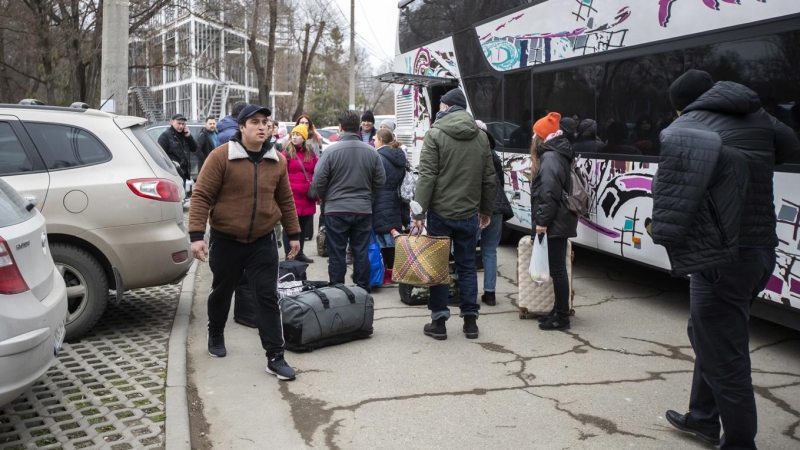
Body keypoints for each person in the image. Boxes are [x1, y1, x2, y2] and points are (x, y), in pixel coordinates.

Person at [652, 69, 800, 449]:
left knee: (724, 353)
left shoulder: (688, 127)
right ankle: (702, 417)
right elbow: (791, 146)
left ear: (682, 105)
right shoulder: (757, 116)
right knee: (711, 336)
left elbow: (671, 199)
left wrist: (666, 237)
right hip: (761, 253)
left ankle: (738, 442)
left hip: (722, 257)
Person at [188, 105, 302, 381]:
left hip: (262, 240)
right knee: (222, 290)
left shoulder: (277, 160)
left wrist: (294, 233)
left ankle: (275, 356)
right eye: (255, 122)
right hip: (226, 239)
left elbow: (285, 199)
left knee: (266, 297)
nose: (263, 127)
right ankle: (215, 331)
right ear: (242, 127)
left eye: (266, 122)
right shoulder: (220, 157)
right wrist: (195, 236)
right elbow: (201, 196)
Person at [412, 87, 495, 341]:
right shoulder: (481, 137)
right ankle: (470, 322)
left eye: (441, 105)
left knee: (438, 268)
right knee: (467, 266)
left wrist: (418, 212)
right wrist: (485, 210)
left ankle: (439, 322)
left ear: (447, 107)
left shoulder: (435, 134)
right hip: (469, 214)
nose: (439, 109)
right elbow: (488, 178)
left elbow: (427, 176)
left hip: (440, 213)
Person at [310, 110, 386, 291]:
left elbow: (318, 181)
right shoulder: (372, 152)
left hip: (336, 210)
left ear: (341, 127)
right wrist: (368, 196)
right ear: (358, 127)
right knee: (361, 251)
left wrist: (324, 197)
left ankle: (338, 290)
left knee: (337, 252)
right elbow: (380, 181)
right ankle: (362, 289)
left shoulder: (330, 151)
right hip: (362, 209)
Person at [528, 112, 578, 331]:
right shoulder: (558, 154)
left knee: (557, 270)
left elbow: (549, 193)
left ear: (542, 137)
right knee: (557, 268)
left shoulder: (549, 158)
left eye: (535, 135)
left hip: (554, 222)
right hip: (560, 220)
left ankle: (562, 317)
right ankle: (557, 310)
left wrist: (542, 221)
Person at [372, 128, 409, 285]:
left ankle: (386, 272)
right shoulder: (399, 156)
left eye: (375, 139)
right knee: (391, 236)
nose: (373, 141)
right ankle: (395, 271)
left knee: (381, 237)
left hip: (380, 199)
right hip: (396, 200)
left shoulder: (379, 157)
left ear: (381, 139)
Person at [475, 120, 504, 307]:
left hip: (477, 206)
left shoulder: (473, 152)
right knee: (490, 250)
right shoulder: (494, 154)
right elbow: (501, 182)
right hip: (497, 206)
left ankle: (465, 291)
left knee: (467, 249)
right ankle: (490, 294)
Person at [282, 123, 318, 264]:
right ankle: (289, 255)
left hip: (307, 197)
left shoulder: (311, 153)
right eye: (293, 135)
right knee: (290, 229)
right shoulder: (286, 153)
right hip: (292, 198)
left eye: (298, 135)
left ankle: (300, 252)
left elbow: (317, 170)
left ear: (304, 137)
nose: (295, 137)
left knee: (302, 229)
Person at [158, 113, 197, 186]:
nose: (181, 126)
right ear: (172, 122)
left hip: (184, 172)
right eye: (179, 123)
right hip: (173, 173)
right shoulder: (165, 136)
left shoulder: (185, 135)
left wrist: (188, 136)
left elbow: (194, 148)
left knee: (182, 195)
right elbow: (160, 155)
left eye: (183, 124)